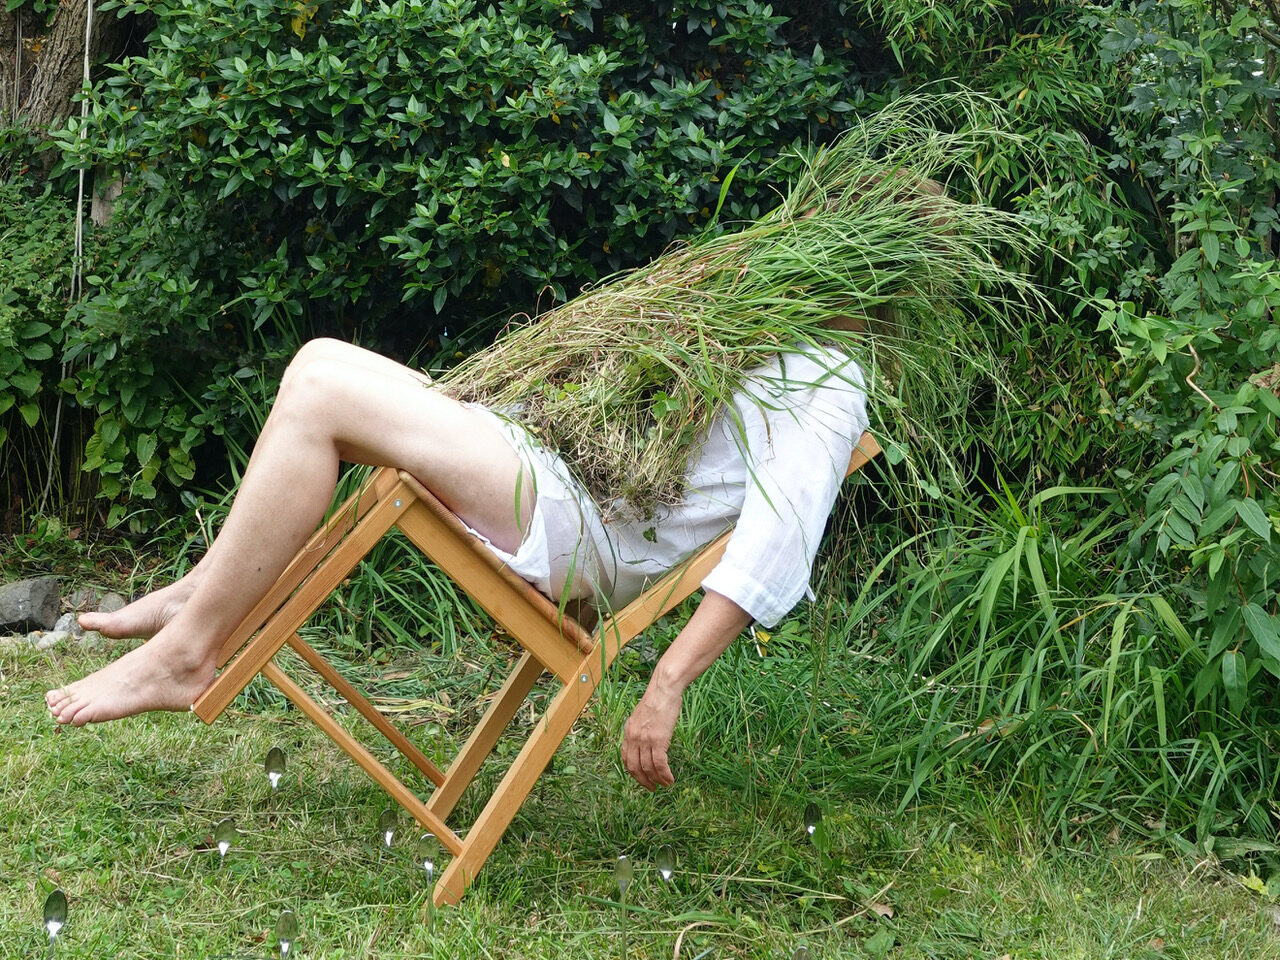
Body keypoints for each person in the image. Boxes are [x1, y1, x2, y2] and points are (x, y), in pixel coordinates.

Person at [45, 330, 868, 791]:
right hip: (555, 470)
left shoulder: (833, 382)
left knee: (321, 399)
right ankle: (200, 596)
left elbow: (776, 544)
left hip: (577, 522)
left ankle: (190, 651)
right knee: (318, 361)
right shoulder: (773, 321)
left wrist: (667, 684)